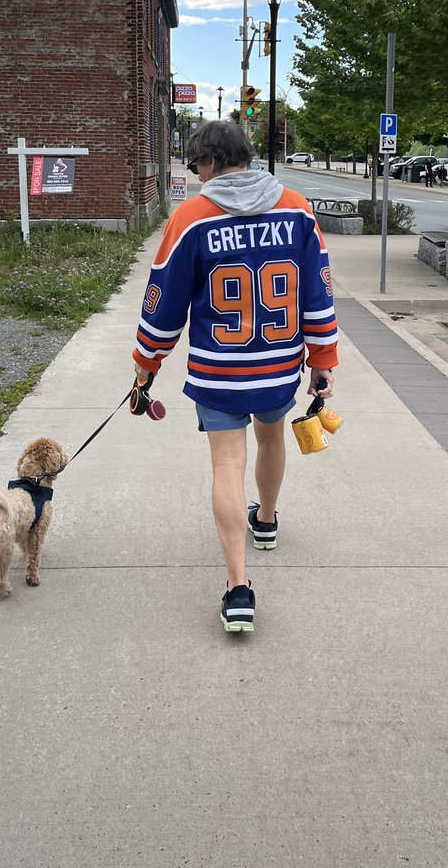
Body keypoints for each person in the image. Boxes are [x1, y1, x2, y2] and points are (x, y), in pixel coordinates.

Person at [132, 121, 338, 633]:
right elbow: (319, 293)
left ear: (210, 162)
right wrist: (323, 361)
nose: (197, 176)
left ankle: (238, 588)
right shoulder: (296, 208)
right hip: (277, 366)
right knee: (272, 439)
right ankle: (265, 521)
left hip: (219, 370)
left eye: (197, 165)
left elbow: (163, 304)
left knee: (227, 463)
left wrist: (146, 363)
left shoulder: (191, 219)